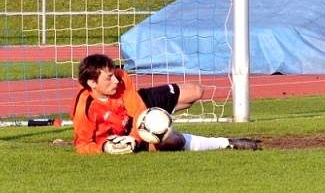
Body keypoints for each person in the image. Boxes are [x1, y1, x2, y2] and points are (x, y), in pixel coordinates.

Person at [72, 53, 261, 154]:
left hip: (140, 106)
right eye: (108, 78)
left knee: (195, 91)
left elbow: (138, 111)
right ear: (92, 83)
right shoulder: (85, 108)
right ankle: (226, 144)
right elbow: (82, 145)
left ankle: (161, 117)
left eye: (114, 74)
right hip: (121, 135)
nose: (115, 80)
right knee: (174, 141)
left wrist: (136, 137)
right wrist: (105, 148)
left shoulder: (121, 79)